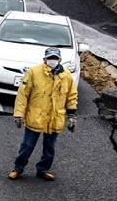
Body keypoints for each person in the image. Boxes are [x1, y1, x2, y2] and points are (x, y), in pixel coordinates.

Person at [8, 47, 78, 181]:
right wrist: (18, 114)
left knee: (50, 148)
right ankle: (18, 168)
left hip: (54, 118)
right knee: (27, 145)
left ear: (60, 60)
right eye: (50, 58)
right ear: (44, 59)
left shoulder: (66, 76)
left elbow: (71, 96)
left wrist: (72, 115)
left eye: (55, 58)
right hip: (36, 117)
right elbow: (23, 94)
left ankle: (43, 169)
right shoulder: (34, 72)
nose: (52, 61)